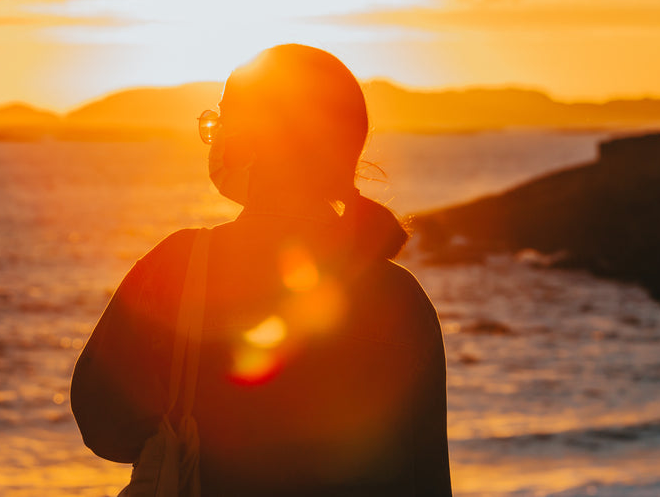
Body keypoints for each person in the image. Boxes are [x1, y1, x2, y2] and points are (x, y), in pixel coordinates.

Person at [71, 44, 452, 496]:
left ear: (248, 141)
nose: (215, 139)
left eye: (221, 122)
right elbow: (426, 477)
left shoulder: (181, 265)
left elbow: (105, 425)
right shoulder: (401, 297)